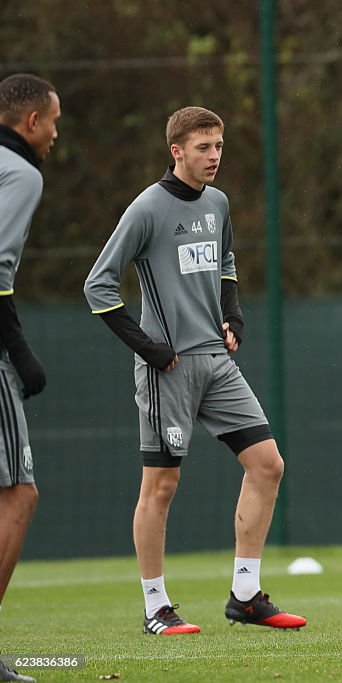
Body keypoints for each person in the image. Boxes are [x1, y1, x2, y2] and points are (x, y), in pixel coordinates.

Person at [84, 106, 306, 635]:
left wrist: (233, 314)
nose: (214, 157)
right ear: (176, 150)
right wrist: (150, 349)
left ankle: (246, 596)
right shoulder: (146, 209)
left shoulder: (218, 203)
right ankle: (156, 608)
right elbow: (98, 286)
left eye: (219, 147)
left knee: (268, 464)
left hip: (216, 362)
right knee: (161, 485)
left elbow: (225, 263)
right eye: (203, 148)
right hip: (170, 369)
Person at [0, 73, 60, 683]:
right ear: (31, 122)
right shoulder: (20, 173)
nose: (57, 134)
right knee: (17, 493)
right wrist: (18, 349)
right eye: (54, 121)